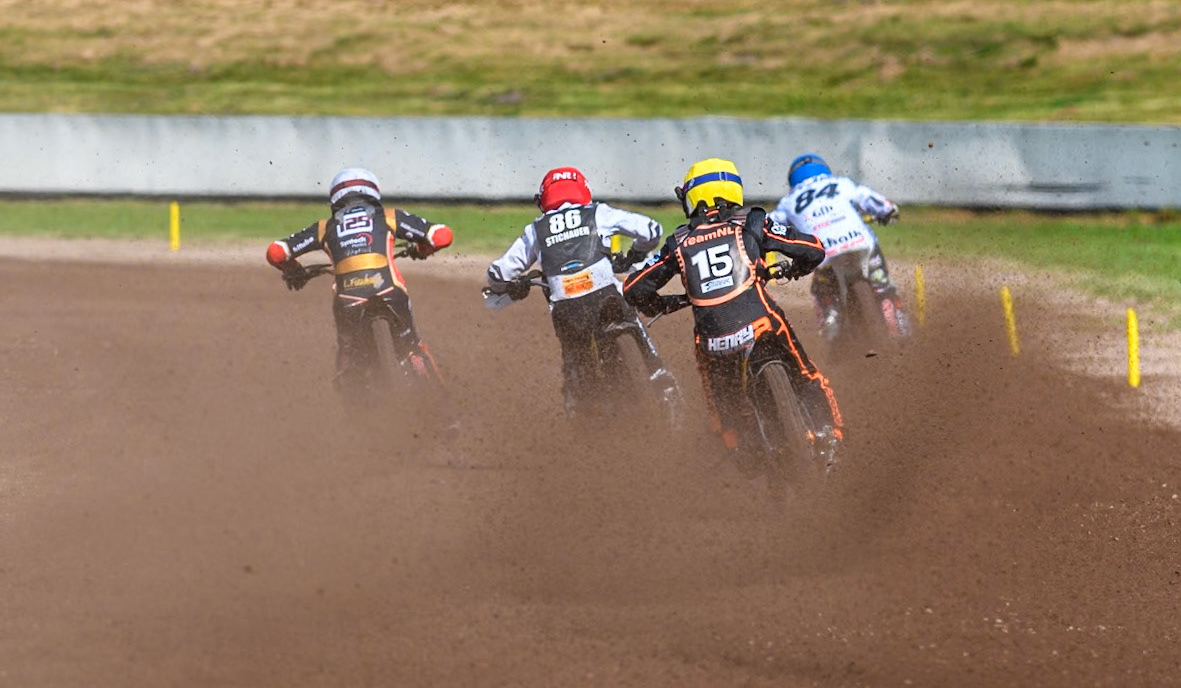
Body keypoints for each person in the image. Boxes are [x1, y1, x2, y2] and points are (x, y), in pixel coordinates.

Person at [623, 157, 844, 474]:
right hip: (762, 322)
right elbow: (813, 249)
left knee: (723, 407)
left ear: (692, 197)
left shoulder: (678, 242)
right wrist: (796, 269)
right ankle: (833, 435)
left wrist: (663, 304)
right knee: (806, 375)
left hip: (713, 342)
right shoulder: (750, 221)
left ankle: (742, 451)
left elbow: (633, 288)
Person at [485, 166, 679, 420]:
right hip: (606, 296)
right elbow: (651, 230)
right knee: (636, 329)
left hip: (567, 309)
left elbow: (498, 273)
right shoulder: (598, 212)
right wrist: (635, 255)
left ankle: (579, 412)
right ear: (583, 190)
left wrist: (510, 287)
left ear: (543, 199)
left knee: (573, 358)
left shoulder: (536, 229)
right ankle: (667, 392)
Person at [266, 167, 453, 392]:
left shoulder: (324, 228)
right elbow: (442, 236)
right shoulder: (390, 217)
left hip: (347, 299)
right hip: (389, 290)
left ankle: (356, 412)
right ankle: (449, 418)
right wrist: (422, 250)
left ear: (334, 199)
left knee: (348, 354)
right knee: (412, 346)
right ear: (373, 193)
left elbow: (276, 252)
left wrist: (294, 271)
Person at [770, 154, 911, 341]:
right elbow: (870, 199)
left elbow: (769, 224)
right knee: (884, 288)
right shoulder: (841, 183)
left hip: (823, 255)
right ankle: (901, 333)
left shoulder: (788, 202)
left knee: (824, 293)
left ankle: (831, 327)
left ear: (793, 181)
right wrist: (889, 211)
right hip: (861, 245)